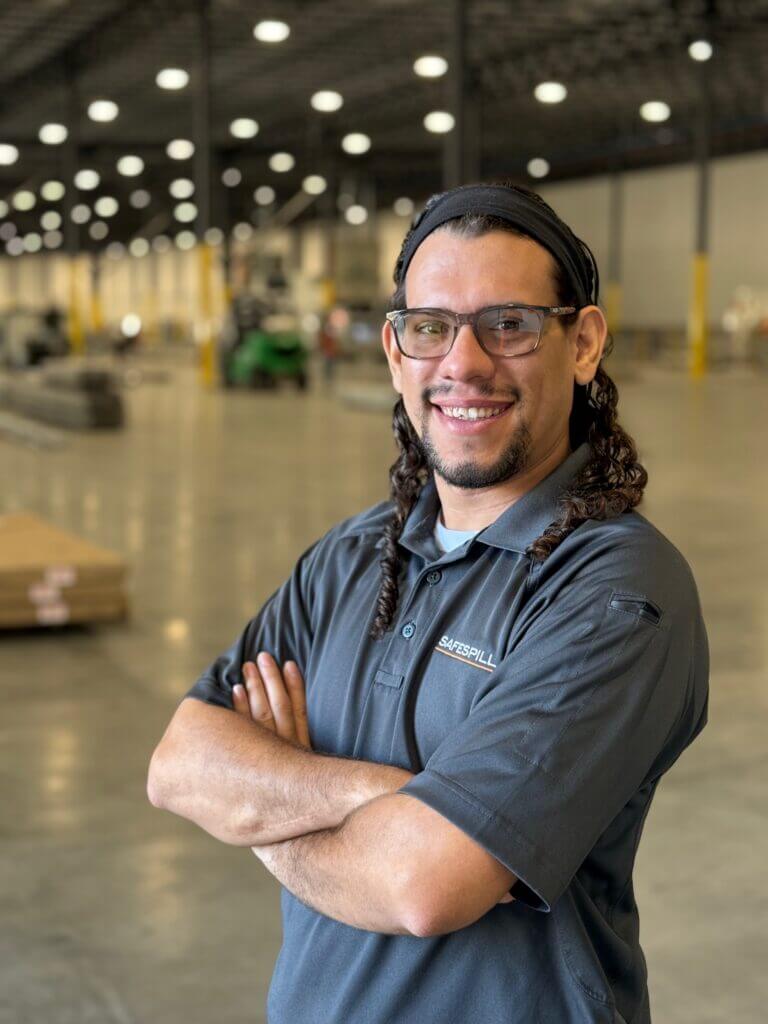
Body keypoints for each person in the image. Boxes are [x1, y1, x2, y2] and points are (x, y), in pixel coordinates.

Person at [148, 182, 709, 1024]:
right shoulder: (348, 558)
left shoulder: (617, 593)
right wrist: (386, 795)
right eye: (430, 327)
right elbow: (179, 766)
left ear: (584, 342)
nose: (464, 364)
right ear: (394, 349)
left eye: (510, 323)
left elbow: (423, 884)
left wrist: (266, 810)